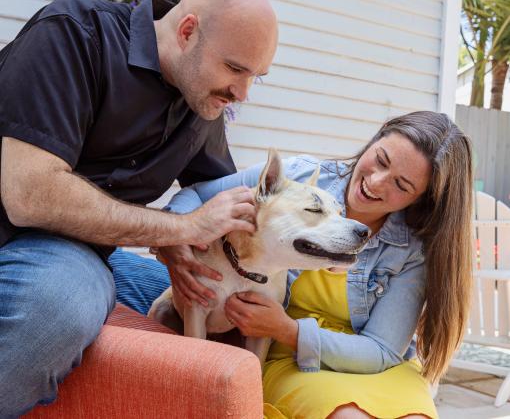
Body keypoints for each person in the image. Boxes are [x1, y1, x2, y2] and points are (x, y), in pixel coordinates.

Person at [0, 0, 278, 416]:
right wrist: (178, 230)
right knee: (61, 309)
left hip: (93, 253)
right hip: (19, 234)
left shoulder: (202, 99)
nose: (243, 93)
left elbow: (212, 194)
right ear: (186, 32)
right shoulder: (75, 32)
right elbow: (29, 196)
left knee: (219, 300)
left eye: (256, 77)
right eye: (236, 69)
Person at [112, 111, 474, 418]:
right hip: (293, 358)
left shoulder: (412, 251)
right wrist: (178, 238)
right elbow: (195, 194)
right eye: (380, 160)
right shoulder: (301, 177)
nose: (375, 183)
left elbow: (380, 351)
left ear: (419, 200)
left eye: (401, 184)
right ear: (373, 141)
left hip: (360, 359)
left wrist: (288, 329)